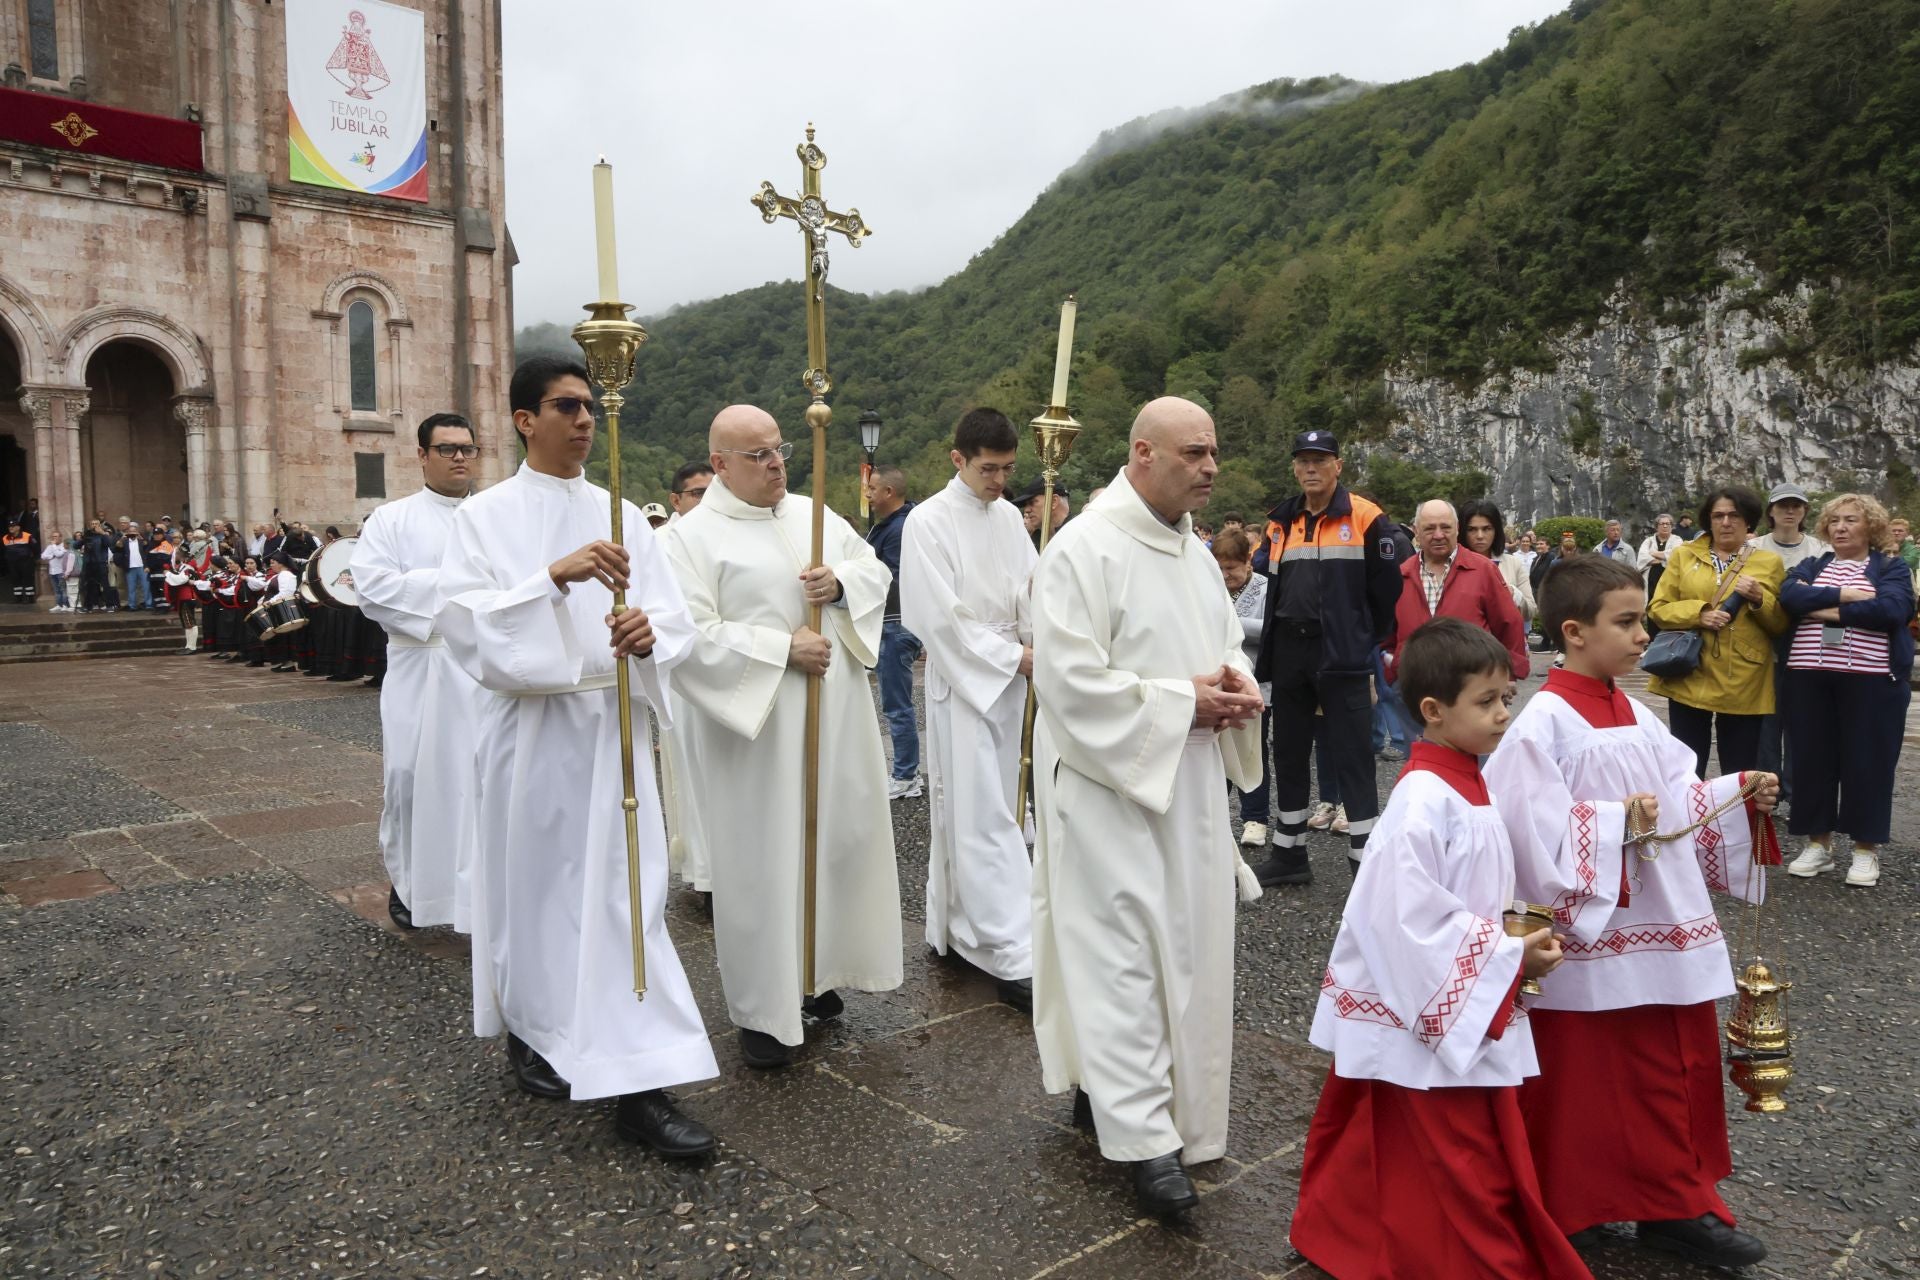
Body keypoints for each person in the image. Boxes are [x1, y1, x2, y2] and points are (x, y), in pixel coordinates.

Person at [435, 355, 718, 1157]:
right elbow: (465, 625)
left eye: (591, 405)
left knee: (626, 901)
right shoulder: (484, 519)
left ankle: (641, 1083)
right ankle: (534, 1027)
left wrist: (649, 634)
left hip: (612, 730)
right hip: (530, 739)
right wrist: (550, 581)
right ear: (526, 419)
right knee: (534, 895)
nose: (586, 418)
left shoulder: (623, 512)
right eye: (567, 406)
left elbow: (676, 615)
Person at [1484, 554, 1777, 1270]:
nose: (1644, 634)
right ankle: (1570, 1204)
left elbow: (1677, 801)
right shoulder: (1540, 725)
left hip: (1664, 926)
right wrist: (1612, 821)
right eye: (1628, 621)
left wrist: (1738, 792)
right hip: (1593, 932)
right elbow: (1521, 835)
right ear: (1575, 632)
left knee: (1673, 1067)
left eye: (1643, 618)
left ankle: (1676, 1202)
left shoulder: (1633, 710)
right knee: (1586, 1078)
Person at [1292, 618, 1585, 1280]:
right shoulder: (1422, 799)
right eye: (1487, 702)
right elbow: (1406, 919)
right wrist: (1507, 958)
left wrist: (1518, 935)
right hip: (1420, 1000)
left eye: (1508, 698)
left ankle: (1358, 1237)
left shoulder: (1470, 780)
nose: (1504, 715)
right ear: (1432, 711)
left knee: (1409, 1141)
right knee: (1461, 1155)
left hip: (1451, 992)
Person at [1030, 397, 1263, 1217]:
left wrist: (1235, 684)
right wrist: (1178, 703)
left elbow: (1223, 641)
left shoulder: (1195, 553)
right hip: (1110, 790)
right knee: (1123, 961)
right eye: (1194, 453)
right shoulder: (1082, 549)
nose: (1209, 467)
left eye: (1213, 453)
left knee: (1189, 955)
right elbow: (1067, 682)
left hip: (1190, 787)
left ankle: (1157, 1103)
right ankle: (1144, 1142)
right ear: (1141, 453)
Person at [662, 404, 902, 1070]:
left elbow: (874, 572)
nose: (777, 464)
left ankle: (818, 971)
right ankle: (763, 1010)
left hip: (837, 715)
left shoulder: (814, 515)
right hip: (759, 731)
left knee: (834, 841)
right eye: (759, 455)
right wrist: (778, 648)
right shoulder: (687, 539)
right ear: (719, 464)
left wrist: (844, 584)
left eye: (780, 450)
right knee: (763, 860)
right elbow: (686, 635)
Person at [899, 408, 1037, 1012]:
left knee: (1009, 805)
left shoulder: (1009, 516)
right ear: (958, 459)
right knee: (980, 813)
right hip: (968, 680)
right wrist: (1010, 655)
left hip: (1014, 677)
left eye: (1008, 469)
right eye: (988, 469)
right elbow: (935, 615)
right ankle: (1010, 951)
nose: (999, 481)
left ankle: (958, 928)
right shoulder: (927, 521)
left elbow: (1031, 589)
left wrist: (1042, 639)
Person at [1249, 429, 1400, 886]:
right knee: (1289, 750)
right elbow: (1267, 584)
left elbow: (1388, 590)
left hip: (1343, 651)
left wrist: (1362, 638)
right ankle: (1290, 852)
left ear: (1338, 465)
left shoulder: (1366, 516)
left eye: (1320, 459)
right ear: (1295, 468)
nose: (1310, 468)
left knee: (1353, 755)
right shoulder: (1280, 521)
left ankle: (1364, 861)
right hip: (1291, 650)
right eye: (1303, 460)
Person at [353, 411, 484, 933]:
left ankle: (476, 889)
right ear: (422, 455)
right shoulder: (392, 519)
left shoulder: (493, 516)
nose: (459, 457)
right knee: (410, 777)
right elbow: (373, 588)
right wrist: (460, 587)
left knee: (475, 779)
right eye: (448, 448)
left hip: (480, 669)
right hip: (420, 662)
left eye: (468, 449)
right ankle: (411, 885)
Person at [1780, 494, 1914, 889]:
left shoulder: (1891, 567)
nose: (1840, 527)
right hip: (1807, 677)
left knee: (1867, 762)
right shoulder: (1812, 565)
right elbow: (1789, 597)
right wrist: (1846, 596)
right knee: (1810, 760)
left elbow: (1892, 610)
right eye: (1835, 520)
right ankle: (1817, 846)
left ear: (1870, 526)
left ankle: (1864, 850)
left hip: (1871, 680)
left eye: (1851, 520)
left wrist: (1820, 609)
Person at [1647, 486, 1787, 777]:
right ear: (1708, 521)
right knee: (1686, 765)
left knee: (1739, 770)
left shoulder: (1769, 562)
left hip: (1743, 675)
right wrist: (1700, 614)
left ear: (1748, 521)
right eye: (1718, 515)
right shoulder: (1683, 556)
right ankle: (1688, 821)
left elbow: (1779, 624)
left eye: (1734, 515)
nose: (1726, 522)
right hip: (1689, 669)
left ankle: (1736, 822)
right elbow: (1658, 608)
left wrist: (1760, 598)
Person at [1385, 499, 1531, 684]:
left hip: (1471, 687)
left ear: (1457, 528)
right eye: (1430, 528)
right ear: (1416, 531)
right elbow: (1386, 634)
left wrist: (1509, 675)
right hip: (1411, 688)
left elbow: (1509, 623)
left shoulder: (1483, 570)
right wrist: (1391, 669)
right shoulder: (1401, 575)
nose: (1438, 535)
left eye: (1445, 527)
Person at [656, 460, 715, 899]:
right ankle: (705, 869)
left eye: (713, 491)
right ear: (676, 500)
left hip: (730, 664)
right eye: (696, 493)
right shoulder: (661, 542)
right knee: (693, 773)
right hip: (683, 672)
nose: (706, 500)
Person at [1751, 483, 1827, 803]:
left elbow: (1830, 598)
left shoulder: (1821, 549)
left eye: (1797, 506)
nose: (1790, 511)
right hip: (1762, 644)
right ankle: (1765, 792)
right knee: (1766, 721)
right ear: (1771, 512)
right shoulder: (1753, 547)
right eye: (1783, 506)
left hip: (1807, 644)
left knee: (1801, 720)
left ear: (1805, 512)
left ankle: (1798, 792)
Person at [864, 464, 923, 800]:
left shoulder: (899, 530)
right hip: (895, 623)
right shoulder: (896, 525)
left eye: (872, 489)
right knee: (896, 703)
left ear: (888, 492)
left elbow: (894, 579)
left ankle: (906, 776)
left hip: (895, 623)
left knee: (897, 705)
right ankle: (907, 771)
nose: (868, 495)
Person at [1212, 527, 1272, 848]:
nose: (1224, 576)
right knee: (1216, 750)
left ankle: (1255, 818)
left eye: (1231, 568)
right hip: (1219, 686)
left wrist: (1231, 621)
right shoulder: (1210, 589)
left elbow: (1270, 630)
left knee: (1253, 750)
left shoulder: (1265, 587)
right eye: (1219, 568)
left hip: (1259, 684)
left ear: (1248, 562)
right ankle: (1214, 816)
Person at [1461, 498, 1536, 622]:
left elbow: (1531, 611)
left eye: (1487, 529)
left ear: (1496, 531)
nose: (1480, 536)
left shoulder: (1513, 564)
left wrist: (1513, 594)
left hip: (1502, 639)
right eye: (1472, 529)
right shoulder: (1452, 564)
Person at [1638, 513, 1684, 598]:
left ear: (1672, 526)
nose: (1665, 526)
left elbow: (1676, 555)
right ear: (1656, 526)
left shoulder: (1677, 540)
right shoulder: (1648, 541)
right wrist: (1664, 558)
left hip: (1670, 581)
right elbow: (1642, 557)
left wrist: (1653, 553)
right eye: (1662, 524)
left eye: (1668, 524)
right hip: (1650, 581)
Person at [39, 531, 73, 612]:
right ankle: (59, 605)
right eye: (53, 536)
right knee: (56, 589)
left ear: (60, 537)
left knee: (63, 589)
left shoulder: (64, 546)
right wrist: (52, 555)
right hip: (52, 571)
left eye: (56, 536)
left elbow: (59, 555)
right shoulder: (50, 547)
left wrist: (54, 548)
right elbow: (43, 556)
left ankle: (65, 605)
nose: (54, 538)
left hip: (61, 571)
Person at [3, 520, 34, 603]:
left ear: (18, 527)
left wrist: (31, 557)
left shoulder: (27, 536)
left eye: (13, 526)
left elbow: (35, 548)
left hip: (25, 562)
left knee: (27, 579)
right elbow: (3, 550)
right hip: (12, 563)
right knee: (15, 580)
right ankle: (18, 598)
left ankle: (30, 598)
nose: (11, 528)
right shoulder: (5, 537)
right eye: (10, 526)